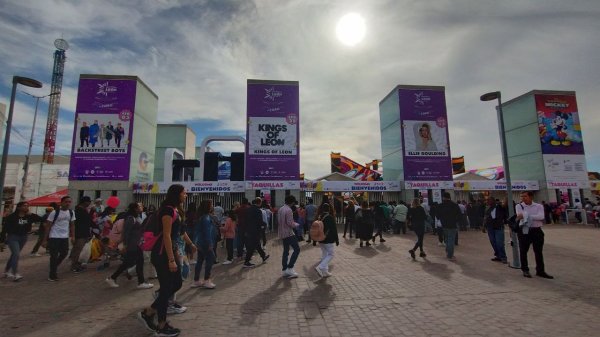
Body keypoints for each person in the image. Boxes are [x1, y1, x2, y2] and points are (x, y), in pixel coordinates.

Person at [137, 184, 187, 336]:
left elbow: (174, 235)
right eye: (184, 193)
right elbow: (166, 235)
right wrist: (171, 259)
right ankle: (162, 325)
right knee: (166, 288)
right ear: (177, 194)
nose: (186, 195)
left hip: (169, 252)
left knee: (176, 283)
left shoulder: (175, 210)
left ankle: (150, 311)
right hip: (162, 254)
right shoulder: (167, 210)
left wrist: (177, 252)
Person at [106, 202, 154, 289]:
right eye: (139, 206)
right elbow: (126, 232)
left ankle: (140, 282)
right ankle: (113, 278)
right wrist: (125, 245)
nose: (141, 207)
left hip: (137, 244)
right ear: (135, 208)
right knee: (131, 262)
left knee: (137, 262)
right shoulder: (130, 219)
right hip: (132, 245)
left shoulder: (136, 218)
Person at [516, 191, 554, 279]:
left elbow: (541, 217)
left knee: (538, 251)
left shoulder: (538, 206)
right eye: (522, 196)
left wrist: (527, 215)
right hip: (524, 230)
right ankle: (525, 270)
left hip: (537, 230)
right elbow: (519, 215)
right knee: (523, 251)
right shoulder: (519, 206)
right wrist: (532, 216)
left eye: (525, 196)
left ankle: (540, 270)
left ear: (531, 197)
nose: (523, 198)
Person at [1, 202, 43, 281]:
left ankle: (6, 271)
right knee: (16, 254)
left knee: (14, 255)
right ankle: (15, 274)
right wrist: (2, 241)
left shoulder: (29, 216)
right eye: (24, 206)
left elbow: (41, 219)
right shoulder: (12, 217)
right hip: (13, 237)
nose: (26, 207)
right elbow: (4, 229)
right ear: (19, 207)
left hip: (23, 237)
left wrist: (31, 214)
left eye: (27, 206)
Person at [42, 196, 75, 281]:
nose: (68, 203)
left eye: (69, 202)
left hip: (64, 237)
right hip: (54, 236)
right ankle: (52, 275)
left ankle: (54, 266)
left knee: (64, 253)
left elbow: (72, 225)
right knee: (53, 255)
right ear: (61, 202)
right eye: (66, 202)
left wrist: (73, 236)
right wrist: (45, 239)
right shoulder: (54, 212)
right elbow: (48, 225)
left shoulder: (71, 212)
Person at [191, 199, 216, 289]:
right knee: (211, 258)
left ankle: (196, 280)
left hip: (199, 242)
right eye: (211, 204)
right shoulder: (206, 217)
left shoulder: (200, 217)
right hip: (205, 242)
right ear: (208, 207)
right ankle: (207, 280)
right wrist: (210, 243)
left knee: (200, 260)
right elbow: (207, 232)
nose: (212, 206)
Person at [277, 195, 300, 278]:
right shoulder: (289, 210)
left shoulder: (281, 209)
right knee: (297, 249)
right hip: (289, 233)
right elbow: (290, 223)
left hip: (282, 233)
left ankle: (284, 269)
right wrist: (297, 224)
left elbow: (279, 222)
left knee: (286, 251)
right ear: (292, 202)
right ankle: (290, 268)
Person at [242, 198, 270, 268]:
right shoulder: (258, 211)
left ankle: (263, 256)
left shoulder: (248, 209)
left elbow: (245, 220)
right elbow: (259, 221)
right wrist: (265, 224)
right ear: (259, 202)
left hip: (249, 230)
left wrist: (245, 229)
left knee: (257, 244)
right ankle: (246, 261)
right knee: (252, 246)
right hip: (255, 230)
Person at [71, 196, 95, 273]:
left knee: (78, 250)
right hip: (80, 233)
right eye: (89, 202)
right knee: (77, 250)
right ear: (85, 202)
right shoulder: (79, 210)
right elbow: (86, 220)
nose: (90, 203)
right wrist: (91, 212)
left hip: (83, 233)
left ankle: (76, 264)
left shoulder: (82, 210)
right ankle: (74, 267)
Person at [435, 192, 461, 261]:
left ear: (443, 197)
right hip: (452, 225)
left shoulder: (440, 205)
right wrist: (456, 221)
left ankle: (448, 251)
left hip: (444, 225)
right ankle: (450, 255)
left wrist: (442, 219)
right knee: (451, 240)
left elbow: (437, 216)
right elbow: (459, 215)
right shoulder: (455, 205)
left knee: (446, 239)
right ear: (449, 197)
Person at [315, 203, 339, 277]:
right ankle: (320, 267)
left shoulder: (319, 216)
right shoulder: (330, 217)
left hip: (321, 239)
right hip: (328, 239)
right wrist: (337, 239)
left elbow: (316, 228)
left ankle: (325, 271)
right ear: (329, 209)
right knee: (331, 254)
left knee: (324, 254)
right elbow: (334, 229)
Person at [483, 197, 508, 264]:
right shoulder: (487, 208)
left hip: (498, 227)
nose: (487, 201)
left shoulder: (499, 206)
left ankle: (503, 257)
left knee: (499, 243)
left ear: (494, 201)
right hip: (490, 228)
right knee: (493, 242)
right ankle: (498, 256)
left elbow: (504, 204)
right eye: (487, 200)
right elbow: (485, 217)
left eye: (489, 200)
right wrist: (484, 226)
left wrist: (507, 197)